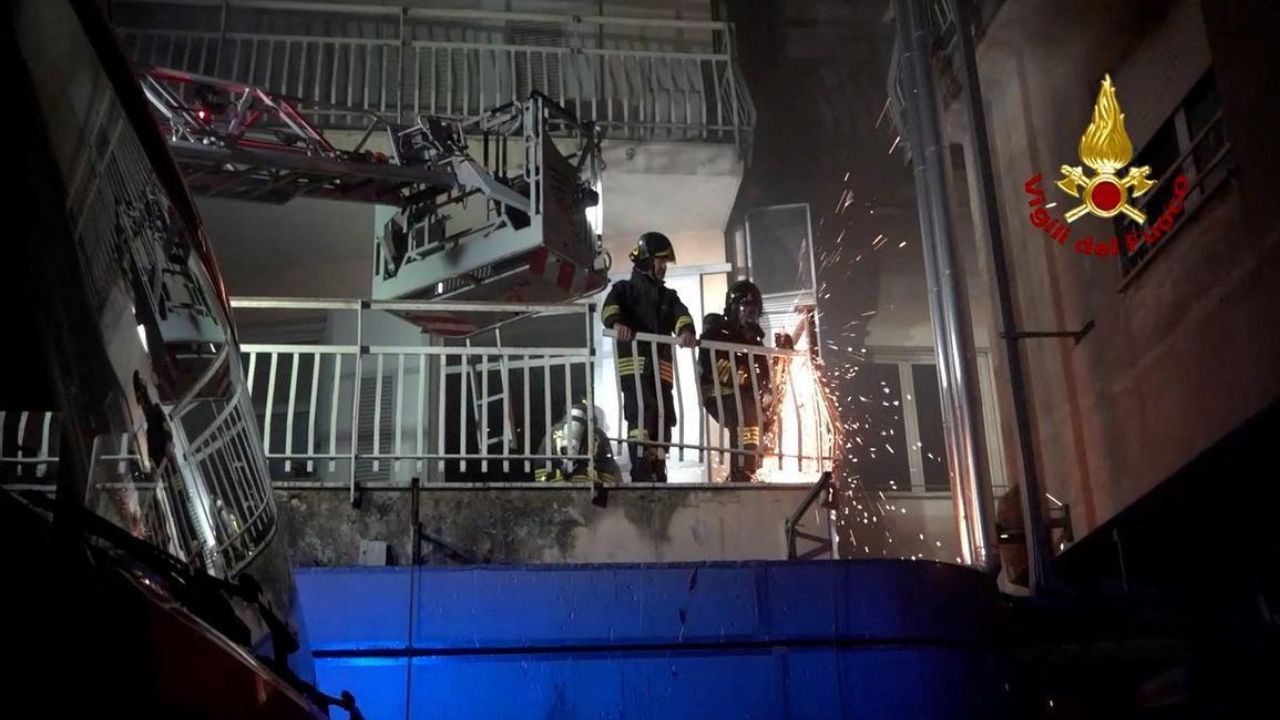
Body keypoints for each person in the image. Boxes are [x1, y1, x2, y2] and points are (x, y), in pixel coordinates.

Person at [601, 232, 696, 483]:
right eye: (660, 262)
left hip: (661, 368)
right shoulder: (624, 290)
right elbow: (609, 309)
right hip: (635, 364)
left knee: (664, 417)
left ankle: (658, 466)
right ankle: (641, 468)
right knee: (641, 413)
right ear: (645, 260)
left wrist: (686, 330)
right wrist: (617, 323)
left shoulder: (668, 297)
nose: (664, 267)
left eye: (665, 263)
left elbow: (681, 316)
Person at [698, 280, 771, 483]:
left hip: (744, 395)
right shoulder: (718, 332)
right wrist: (746, 378)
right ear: (733, 308)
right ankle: (742, 473)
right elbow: (712, 365)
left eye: (753, 309)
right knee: (745, 416)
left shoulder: (755, 341)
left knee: (760, 417)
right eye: (745, 307)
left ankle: (752, 467)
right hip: (718, 393)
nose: (750, 314)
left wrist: (766, 389)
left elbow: (763, 372)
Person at [533, 402, 621, 484]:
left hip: (558, 488)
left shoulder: (553, 430)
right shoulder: (598, 434)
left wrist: (550, 484)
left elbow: (541, 462)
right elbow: (608, 464)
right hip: (588, 487)